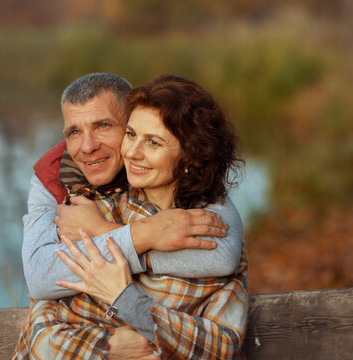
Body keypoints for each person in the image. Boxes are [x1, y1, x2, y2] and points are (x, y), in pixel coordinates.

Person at [14, 73, 244, 358]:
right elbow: (42, 299)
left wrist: (108, 238)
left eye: (103, 126)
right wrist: (105, 348)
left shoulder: (199, 216)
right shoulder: (73, 195)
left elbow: (220, 336)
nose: (87, 147)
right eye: (74, 131)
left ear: (189, 158)